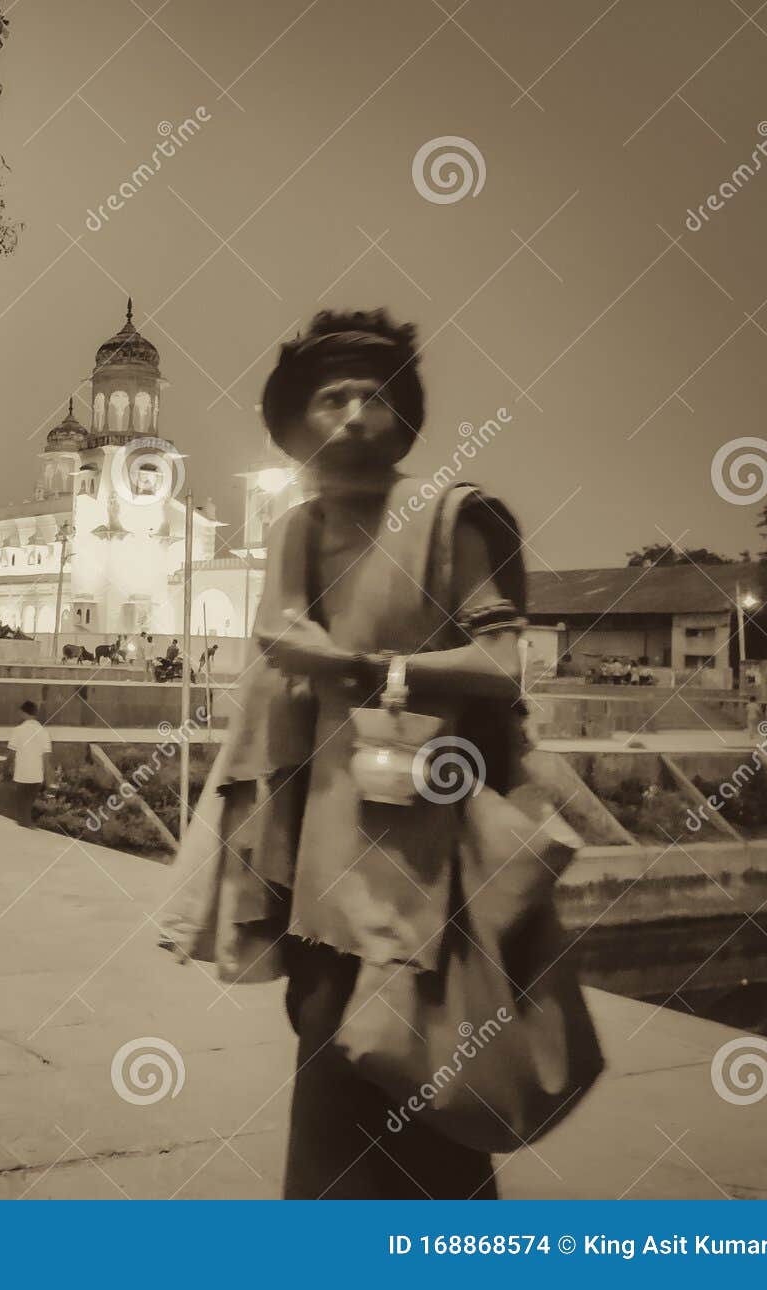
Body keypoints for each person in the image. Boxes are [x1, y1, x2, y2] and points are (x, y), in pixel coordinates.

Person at [172, 308, 533, 1199]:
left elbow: (501, 660)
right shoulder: (297, 528)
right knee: (331, 1048)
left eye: (375, 395)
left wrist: (374, 669)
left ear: (404, 418)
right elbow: (277, 636)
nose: (355, 414)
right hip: (321, 848)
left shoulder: (453, 520)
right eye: (332, 395)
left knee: (424, 1061)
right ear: (296, 421)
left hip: (428, 845)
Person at [5, 700, 52, 827]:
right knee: (28, 804)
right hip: (36, 776)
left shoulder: (17, 730)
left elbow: (10, 754)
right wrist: (48, 780)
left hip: (21, 774)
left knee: (21, 805)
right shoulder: (44, 732)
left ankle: (25, 826)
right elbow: (46, 759)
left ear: (22, 713)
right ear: (35, 713)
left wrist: (4, 771)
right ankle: (27, 824)